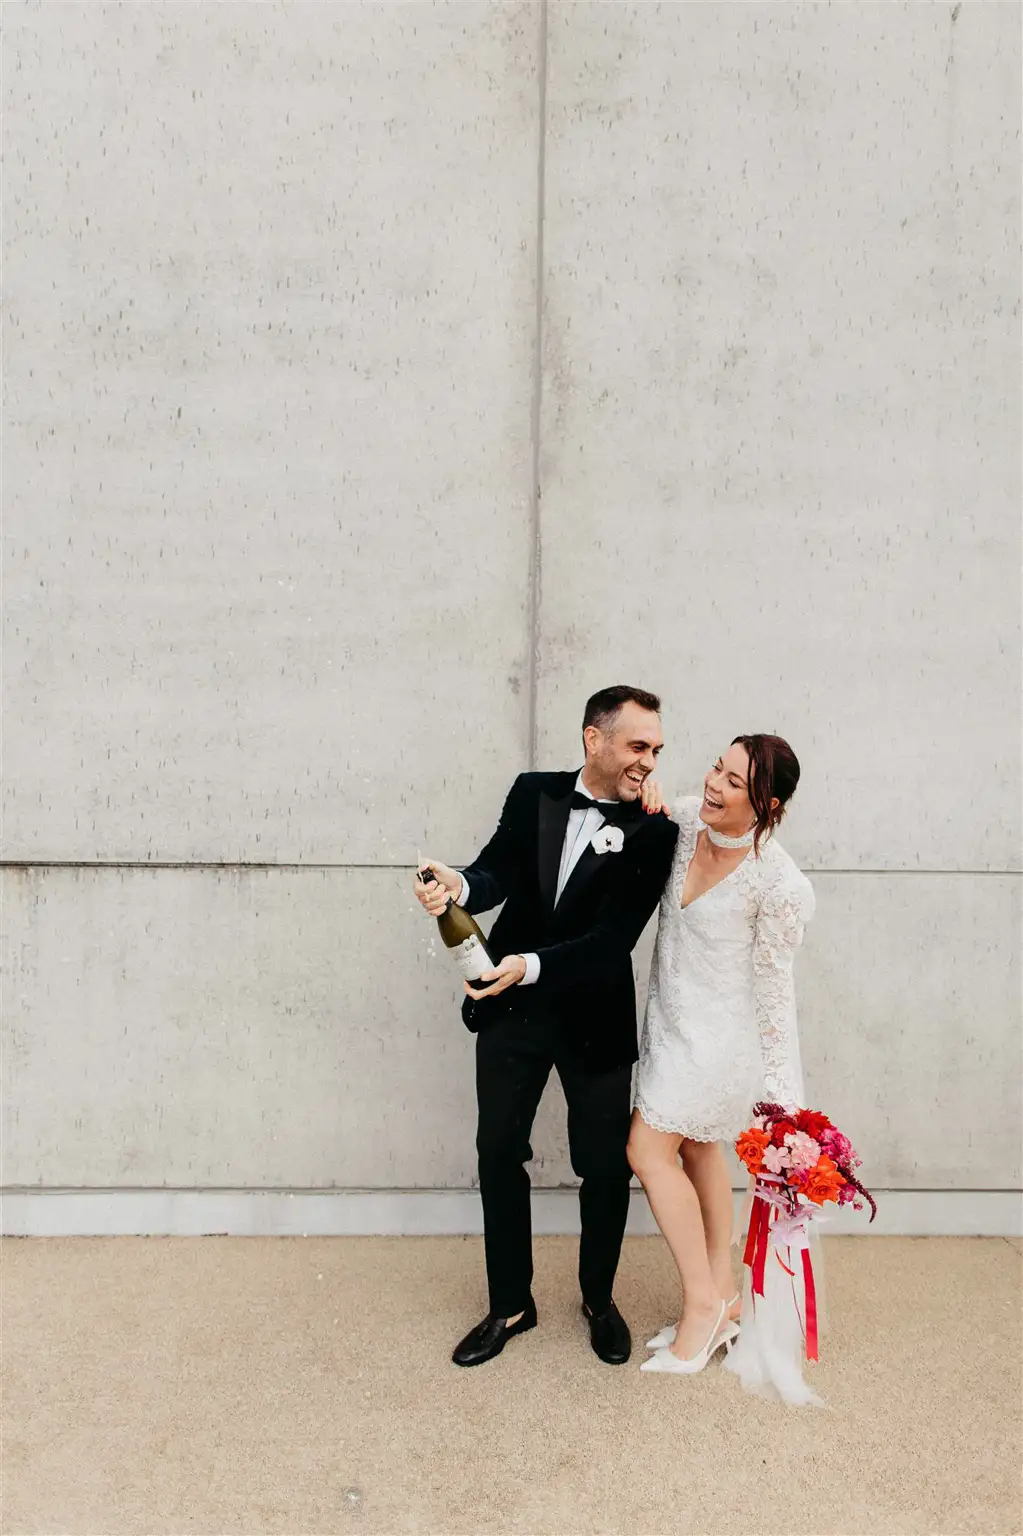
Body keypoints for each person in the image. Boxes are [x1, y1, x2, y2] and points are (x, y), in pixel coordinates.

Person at [414, 686, 679, 1367]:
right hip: (512, 1011)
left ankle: (598, 1299)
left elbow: (611, 940)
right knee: (497, 1152)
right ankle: (510, 1304)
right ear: (593, 738)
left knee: (600, 1168)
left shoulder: (656, 829)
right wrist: (456, 886)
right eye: (636, 745)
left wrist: (525, 964)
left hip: (592, 1018)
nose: (647, 761)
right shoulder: (532, 792)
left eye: (655, 749)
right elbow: (495, 871)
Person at [626, 734, 814, 1377]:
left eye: (735, 783)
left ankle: (701, 1304)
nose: (714, 785)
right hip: (668, 1026)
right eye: (717, 767)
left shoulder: (779, 882)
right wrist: (646, 793)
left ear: (769, 805)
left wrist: (788, 1106)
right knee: (699, 1149)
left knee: (647, 1151)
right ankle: (727, 1294)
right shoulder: (683, 821)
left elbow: (773, 995)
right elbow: (642, 804)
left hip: (717, 1047)